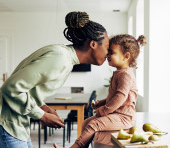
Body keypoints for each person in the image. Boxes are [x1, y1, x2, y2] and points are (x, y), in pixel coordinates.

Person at [0, 11, 109, 148]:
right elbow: (11, 88)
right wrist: (42, 116)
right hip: (8, 124)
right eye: (107, 47)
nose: (108, 53)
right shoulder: (60, 58)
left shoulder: (65, 57)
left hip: (18, 125)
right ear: (93, 44)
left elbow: (29, 89)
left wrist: (44, 108)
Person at [54, 34, 146, 148]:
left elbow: (120, 97)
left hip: (124, 118)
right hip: (116, 114)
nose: (107, 55)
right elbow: (113, 97)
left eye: (111, 52)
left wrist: (104, 110)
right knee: (86, 122)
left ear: (126, 56)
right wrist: (101, 103)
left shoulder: (125, 75)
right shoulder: (120, 73)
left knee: (93, 124)